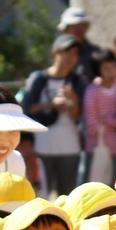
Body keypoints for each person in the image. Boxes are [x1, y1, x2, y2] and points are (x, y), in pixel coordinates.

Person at [22, 34, 86, 198]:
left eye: (75, 54)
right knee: (40, 195)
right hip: (42, 145)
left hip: (70, 146)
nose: (71, 57)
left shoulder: (78, 81)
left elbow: (80, 116)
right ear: (56, 52)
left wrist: (73, 102)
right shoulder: (38, 78)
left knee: (69, 196)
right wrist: (52, 105)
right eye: (67, 52)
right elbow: (27, 109)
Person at [83, 48, 116, 183]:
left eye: (114, 67)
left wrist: (107, 119)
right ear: (98, 70)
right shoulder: (92, 91)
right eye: (106, 68)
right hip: (97, 149)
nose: (111, 72)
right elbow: (92, 127)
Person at [57, 6, 103, 81]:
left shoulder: (97, 54)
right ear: (66, 30)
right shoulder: (59, 53)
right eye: (74, 26)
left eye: (82, 26)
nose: (79, 30)